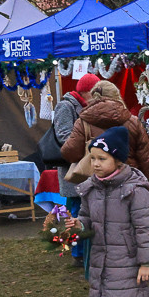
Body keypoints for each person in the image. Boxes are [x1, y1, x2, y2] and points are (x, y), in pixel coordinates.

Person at [63, 126, 149, 297]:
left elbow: (146, 229)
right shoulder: (91, 189)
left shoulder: (134, 190)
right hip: (102, 258)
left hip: (126, 259)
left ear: (117, 160)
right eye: (92, 158)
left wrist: (146, 262)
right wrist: (78, 225)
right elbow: (87, 218)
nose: (95, 164)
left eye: (101, 159)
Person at [62, 80, 149, 195]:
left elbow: (70, 152)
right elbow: (146, 160)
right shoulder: (133, 122)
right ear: (117, 96)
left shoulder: (83, 122)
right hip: (128, 184)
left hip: (95, 186)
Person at [53, 72, 101, 260]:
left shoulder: (84, 106)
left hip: (86, 168)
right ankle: (78, 253)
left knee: (85, 211)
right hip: (74, 170)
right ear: (89, 92)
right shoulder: (65, 106)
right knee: (77, 211)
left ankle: (86, 251)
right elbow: (64, 137)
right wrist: (91, 143)